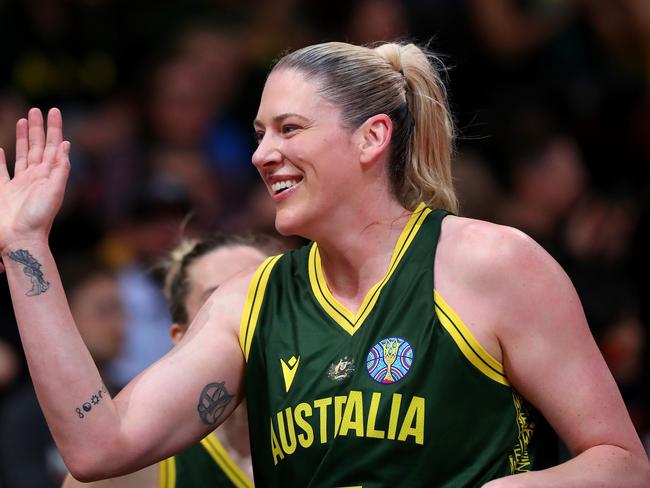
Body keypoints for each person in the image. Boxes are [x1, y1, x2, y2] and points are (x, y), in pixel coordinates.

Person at [0, 41, 648, 487]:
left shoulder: (490, 264)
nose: (262, 154)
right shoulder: (246, 304)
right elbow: (97, 446)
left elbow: (621, 463)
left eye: (289, 128)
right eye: (258, 134)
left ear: (371, 138)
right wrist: (26, 244)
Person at [63, 234, 269, 487]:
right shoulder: (136, 466)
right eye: (217, 299)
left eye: (262, 293)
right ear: (181, 336)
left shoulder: (325, 418)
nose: (244, 315)